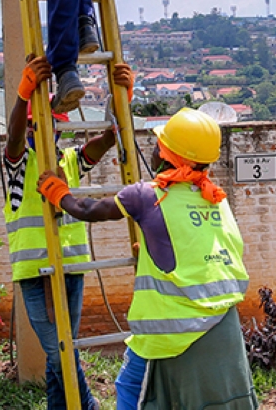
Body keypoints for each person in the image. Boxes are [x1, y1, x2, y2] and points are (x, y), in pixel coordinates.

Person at [37, 108, 257, 410]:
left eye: (158, 144)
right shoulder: (216, 200)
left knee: (130, 390)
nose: (152, 150)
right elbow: (200, 252)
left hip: (168, 333)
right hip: (223, 325)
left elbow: (89, 211)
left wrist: (59, 194)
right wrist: (153, 255)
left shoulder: (146, 196)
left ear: (168, 154)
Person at [4, 55, 133, 410]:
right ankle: (87, 406)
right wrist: (22, 96)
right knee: (60, 350)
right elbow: (13, 138)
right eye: (39, 127)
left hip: (72, 270)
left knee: (60, 352)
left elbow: (102, 145)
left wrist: (122, 106)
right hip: (36, 273)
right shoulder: (20, 165)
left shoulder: (68, 163)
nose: (48, 134)